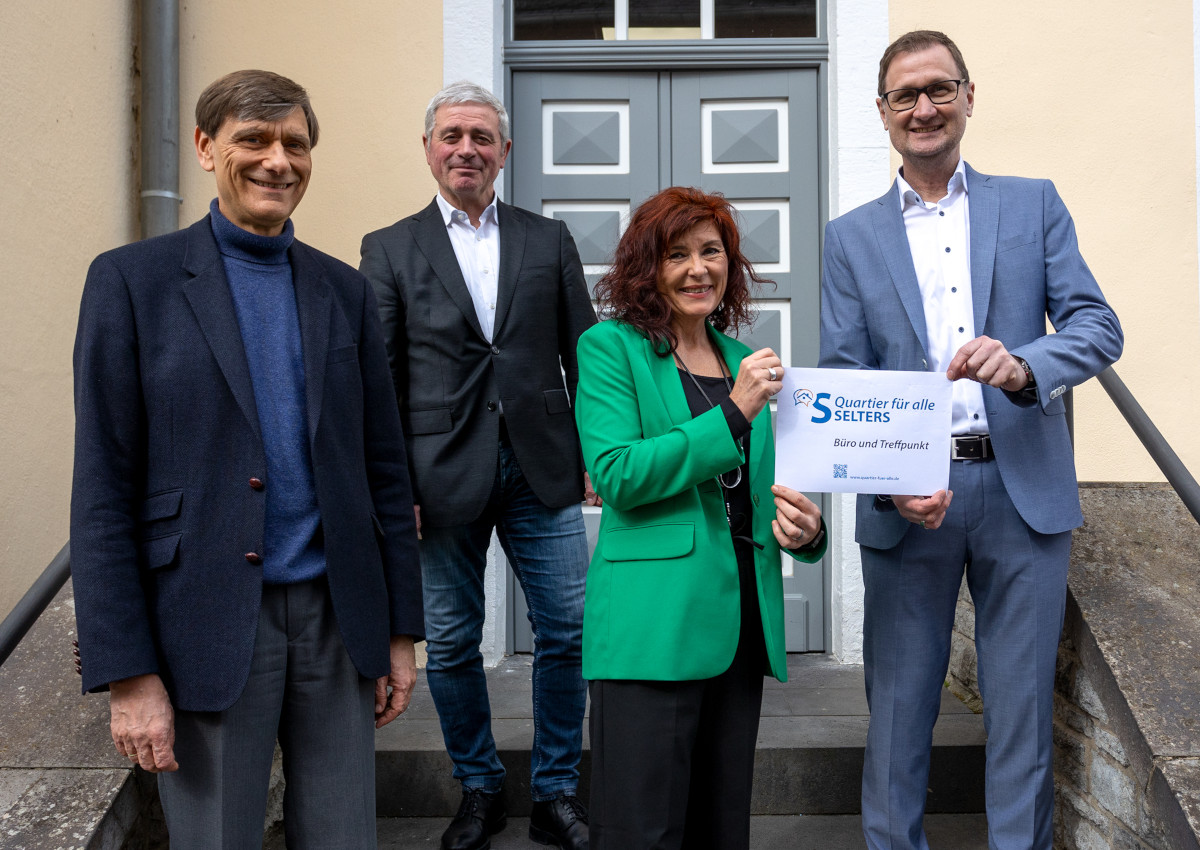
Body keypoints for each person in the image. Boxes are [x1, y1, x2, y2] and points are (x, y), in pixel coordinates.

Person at [70, 69, 423, 848]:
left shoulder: (345, 291)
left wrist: (401, 630)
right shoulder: (132, 283)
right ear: (205, 147)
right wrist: (125, 671)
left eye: (295, 144)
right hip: (205, 619)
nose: (277, 161)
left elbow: (383, 470)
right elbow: (102, 487)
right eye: (253, 141)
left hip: (339, 617)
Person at [819, 31, 1124, 850]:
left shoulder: (1034, 203)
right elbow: (847, 377)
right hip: (908, 500)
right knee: (898, 716)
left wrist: (1024, 364)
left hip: (1021, 492)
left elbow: (1098, 327)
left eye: (939, 89)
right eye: (904, 95)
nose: (924, 108)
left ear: (968, 95)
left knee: (1021, 712)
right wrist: (887, 485)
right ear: (882, 113)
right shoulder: (849, 237)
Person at [359, 81, 596, 850]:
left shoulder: (547, 238)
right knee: (454, 641)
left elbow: (584, 356)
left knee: (566, 630)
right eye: (453, 135)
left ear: (505, 151)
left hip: (544, 469)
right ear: (429, 148)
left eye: (482, 137)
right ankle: (480, 787)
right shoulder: (389, 248)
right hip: (436, 476)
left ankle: (556, 791)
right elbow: (380, 377)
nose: (467, 149)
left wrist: (596, 451)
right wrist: (394, 489)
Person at [575, 186, 827, 850]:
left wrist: (807, 531)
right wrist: (734, 414)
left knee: (721, 826)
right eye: (676, 254)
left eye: (712, 252)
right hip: (651, 625)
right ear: (645, 268)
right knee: (642, 829)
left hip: (740, 622)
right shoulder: (610, 349)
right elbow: (618, 475)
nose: (698, 269)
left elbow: (766, 488)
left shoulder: (746, 363)